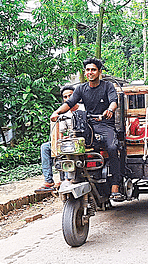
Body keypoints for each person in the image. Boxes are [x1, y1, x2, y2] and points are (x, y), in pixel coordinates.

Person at [51, 57, 124, 201]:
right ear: (85, 72)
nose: (90, 72)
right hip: (87, 126)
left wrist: (109, 110)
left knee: (112, 147)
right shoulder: (81, 89)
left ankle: (115, 185)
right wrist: (57, 112)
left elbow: (114, 102)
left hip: (105, 125)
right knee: (71, 147)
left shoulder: (107, 86)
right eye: (88, 70)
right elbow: (70, 102)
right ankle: (73, 177)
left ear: (99, 72)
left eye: (93, 70)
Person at [36, 84, 82, 193]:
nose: (67, 99)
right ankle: (48, 180)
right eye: (65, 97)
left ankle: (67, 179)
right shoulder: (63, 112)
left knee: (68, 146)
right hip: (69, 140)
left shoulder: (84, 108)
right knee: (45, 147)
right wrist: (62, 138)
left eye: (70, 96)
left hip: (83, 140)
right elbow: (61, 131)